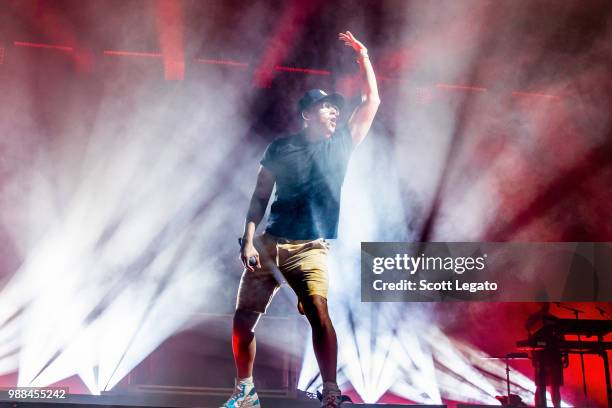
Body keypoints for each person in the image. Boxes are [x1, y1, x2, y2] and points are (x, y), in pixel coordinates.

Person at [221, 31, 380, 408]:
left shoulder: (341, 145)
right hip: (271, 244)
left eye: (337, 109)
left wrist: (364, 57)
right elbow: (260, 195)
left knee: (318, 313)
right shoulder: (281, 147)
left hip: (311, 247)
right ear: (308, 114)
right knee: (243, 321)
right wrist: (247, 239)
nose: (335, 112)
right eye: (327, 108)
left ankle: (330, 391)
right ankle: (245, 391)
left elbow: (372, 100)